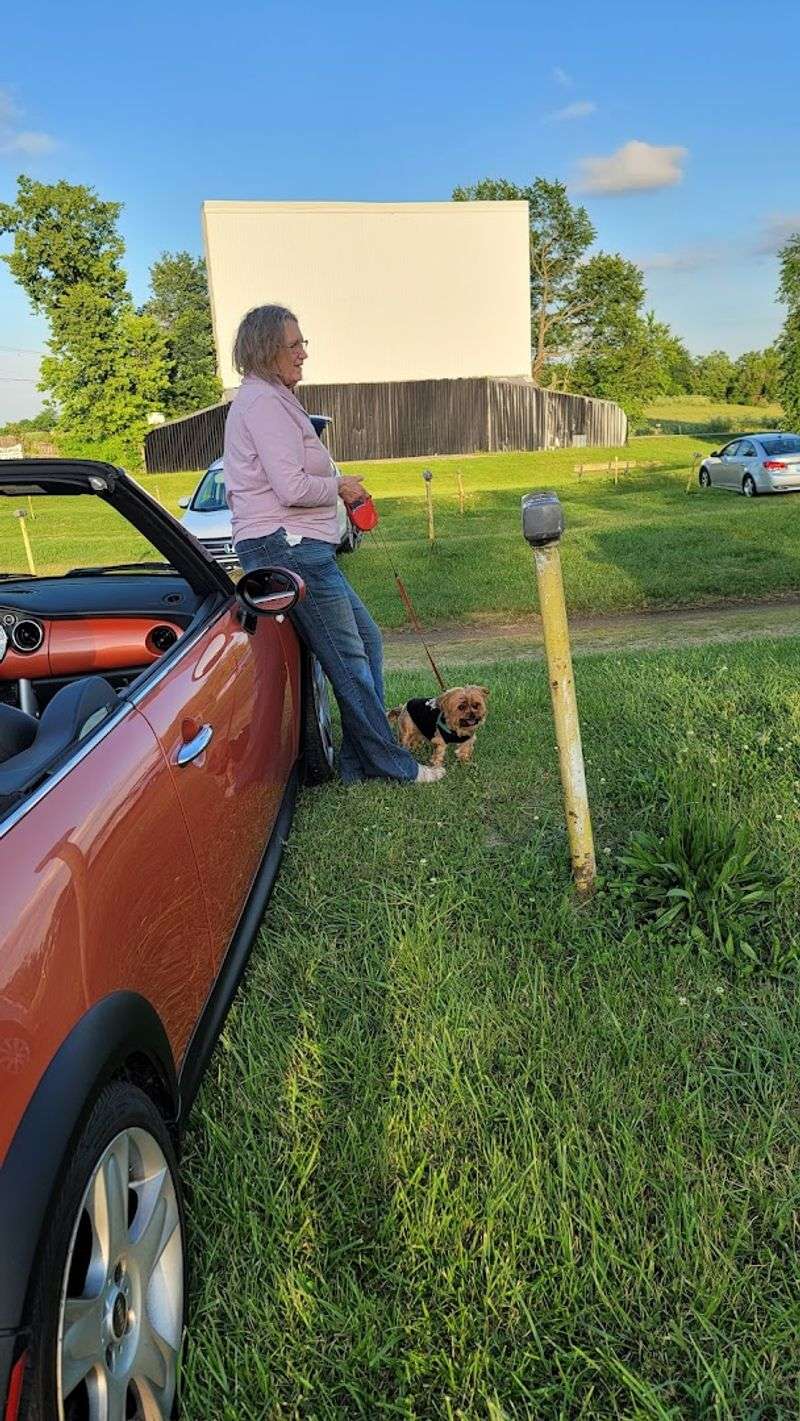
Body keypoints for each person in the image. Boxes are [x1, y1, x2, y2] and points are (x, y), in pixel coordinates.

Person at [223, 304, 444, 785]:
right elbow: (292, 487)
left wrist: (339, 490)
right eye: (294, 344)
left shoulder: (275, 399)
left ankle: (356, 761)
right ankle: (393, 766)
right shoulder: (262, 403)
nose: (304, 353)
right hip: (287, 546)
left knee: (365, 641)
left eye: (304, 343)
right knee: (348, 660)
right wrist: (341, 487)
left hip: (301, 545)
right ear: (266, 349)